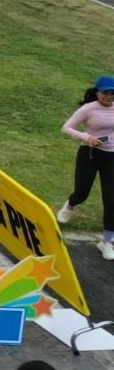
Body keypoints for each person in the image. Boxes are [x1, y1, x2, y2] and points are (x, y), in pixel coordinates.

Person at [58, 74, 114, 260]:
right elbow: (66, 127)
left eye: (113, 93)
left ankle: (106, 242)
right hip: (89, 154)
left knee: (111, 201)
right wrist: (86, 137)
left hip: (111, 157)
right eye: (105, 93)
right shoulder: (88, 109)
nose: (109, 96)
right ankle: (71, 204)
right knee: (82, 193)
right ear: (97, 92)